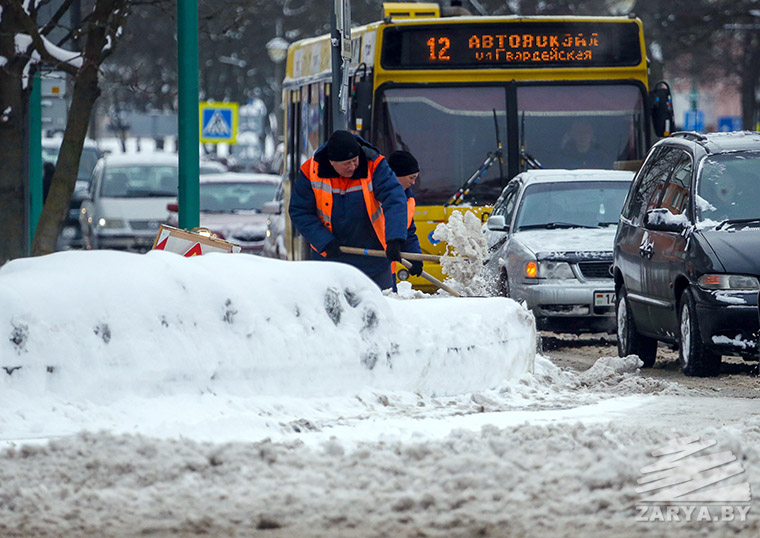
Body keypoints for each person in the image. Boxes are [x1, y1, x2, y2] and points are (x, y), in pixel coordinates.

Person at [289, 130, 409, 290]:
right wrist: (324, 241)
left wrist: (395, 238)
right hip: (330, 260)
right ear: (332, 162)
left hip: (374, 261)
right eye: (347, 163)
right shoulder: (310, 171)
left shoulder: (375, 165)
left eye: (355, 160)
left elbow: (395, 199)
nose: (353, 166)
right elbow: (300, 211)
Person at [387, 150, 424, 278]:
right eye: (411, 178)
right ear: (396, 175)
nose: (413, 183)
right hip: (371, 264)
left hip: (388, 269)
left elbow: (408, 232)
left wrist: (415, 257)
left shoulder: (408, 199)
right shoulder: (378, 197)